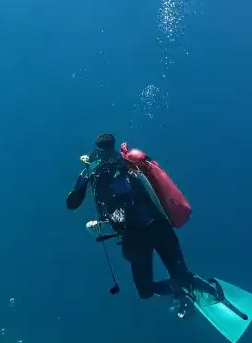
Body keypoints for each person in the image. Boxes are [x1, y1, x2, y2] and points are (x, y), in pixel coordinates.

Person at [66, 132, 220, 308]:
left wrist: (85, 177)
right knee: (179, 274)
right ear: (113, 145)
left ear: (97, 148)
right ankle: (196, 288)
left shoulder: (92, 169)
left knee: (146, 291)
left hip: (134, 238)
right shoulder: (130, 162)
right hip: (159, 226)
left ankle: (179, 289)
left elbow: (72, 204)